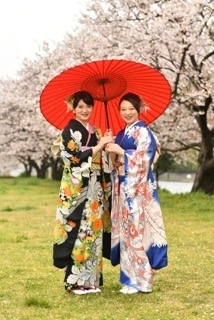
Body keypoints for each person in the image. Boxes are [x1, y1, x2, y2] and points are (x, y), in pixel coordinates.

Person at [106, 92, 168, 294]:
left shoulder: (143, 132)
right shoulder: (122, 133)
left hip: (138, 190)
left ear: (138, 109)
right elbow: (113, 165)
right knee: (127, 234)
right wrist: (111, 148)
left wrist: (122, 152)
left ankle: (142, 281)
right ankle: (130, 279)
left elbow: (144, 160)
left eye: (131, 109)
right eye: (123, 109)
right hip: (124, 189)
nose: (127, 113)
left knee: (138, 233)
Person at [52, 91, 113, 295]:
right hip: (78, 188)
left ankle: (90, 280)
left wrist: (107, 145)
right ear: (73, 108)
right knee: (78, 231)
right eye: (80, 107)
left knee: (93, 231)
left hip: (95, 187)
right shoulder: (69, 130)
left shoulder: (95, 130)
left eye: (88, 106)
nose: (85, 110)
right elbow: (73, 160)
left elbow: (102, 157)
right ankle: (75, 282)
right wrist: (98, 146)